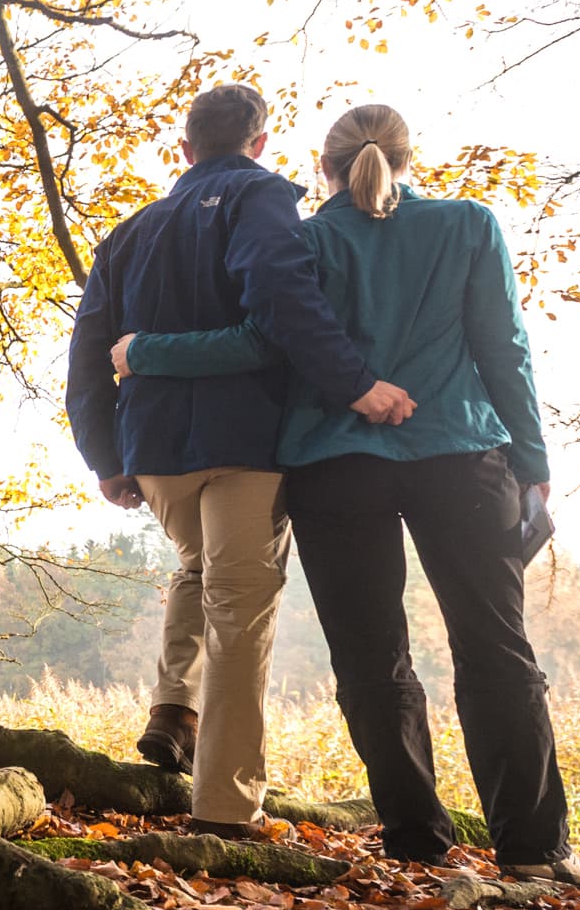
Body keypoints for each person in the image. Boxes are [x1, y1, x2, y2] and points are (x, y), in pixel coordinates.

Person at [113, 104, 580, 887]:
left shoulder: (302, 240)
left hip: (334, 465)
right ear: (408, 158)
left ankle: (415, 841)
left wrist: (146, 352)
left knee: (372, 660)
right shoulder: (469, 226)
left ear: (322, 166)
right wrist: (533, 461)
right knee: (496, 647)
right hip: (461, 456)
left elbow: (262, 340)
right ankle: (532, 851)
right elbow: (504, 348)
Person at [67, 83, 415, 836]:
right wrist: (355, 385)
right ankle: (226, 809)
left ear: (185, 150)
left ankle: (171, 710)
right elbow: (284, 300)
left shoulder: (128, 233)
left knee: (203, 568)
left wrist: (104, 455)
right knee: (240, 610)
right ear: (259, 144)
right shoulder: (262, 201)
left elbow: (88, 352)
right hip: (245, 442)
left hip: (153, 451)